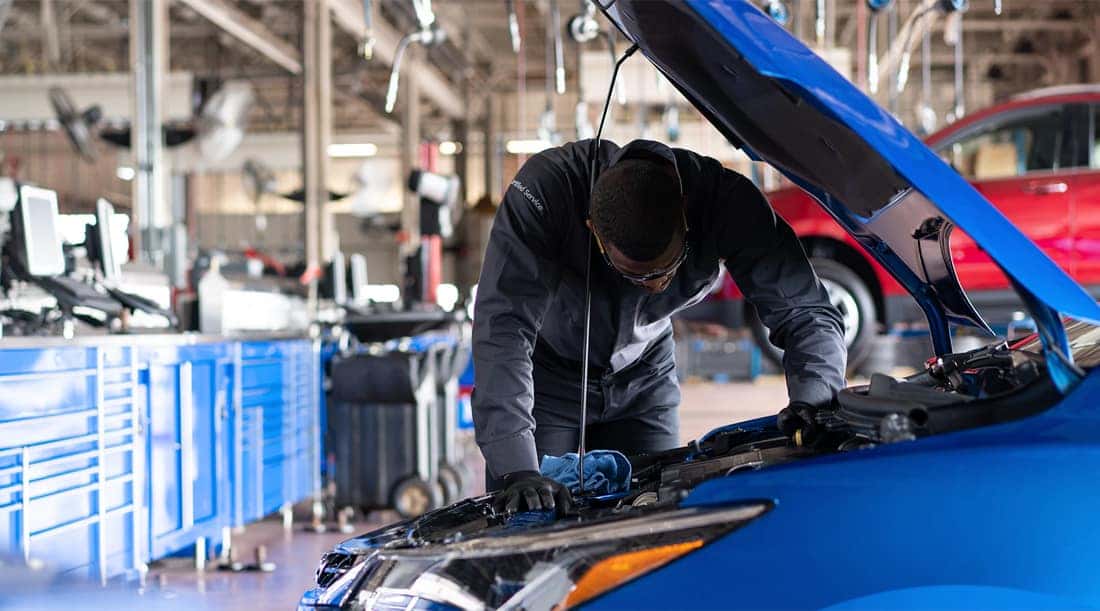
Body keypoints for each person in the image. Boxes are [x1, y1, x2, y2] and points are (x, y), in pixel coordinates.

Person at [472, 139, 846, 515]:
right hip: (548, 378)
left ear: (685, 215)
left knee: (658, 518)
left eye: (665, 268)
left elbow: (805, 312)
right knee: (534, 517)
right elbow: (503, 327)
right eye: (638, 275)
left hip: (645, 379)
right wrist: (515, 467)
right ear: (593, 231)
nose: (653, 285)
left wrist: (814, 403)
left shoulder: (725, 202)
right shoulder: (547, 191)